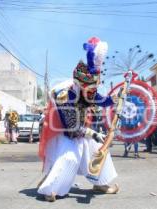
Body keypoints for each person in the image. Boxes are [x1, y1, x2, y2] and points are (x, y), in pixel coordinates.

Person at [37, 37, 119, 202]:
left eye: (94, 89)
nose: (92, 93)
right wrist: (95, 134)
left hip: (81, 132)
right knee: (70, 158)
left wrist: (115, 98)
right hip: (66, 133)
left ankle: (100, 183)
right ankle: (51, 189)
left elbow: (100, 99)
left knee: (99, 150)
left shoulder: (88, 91)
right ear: (79, 85)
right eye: (89, 89)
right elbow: (73, 128)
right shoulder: (64, 97)